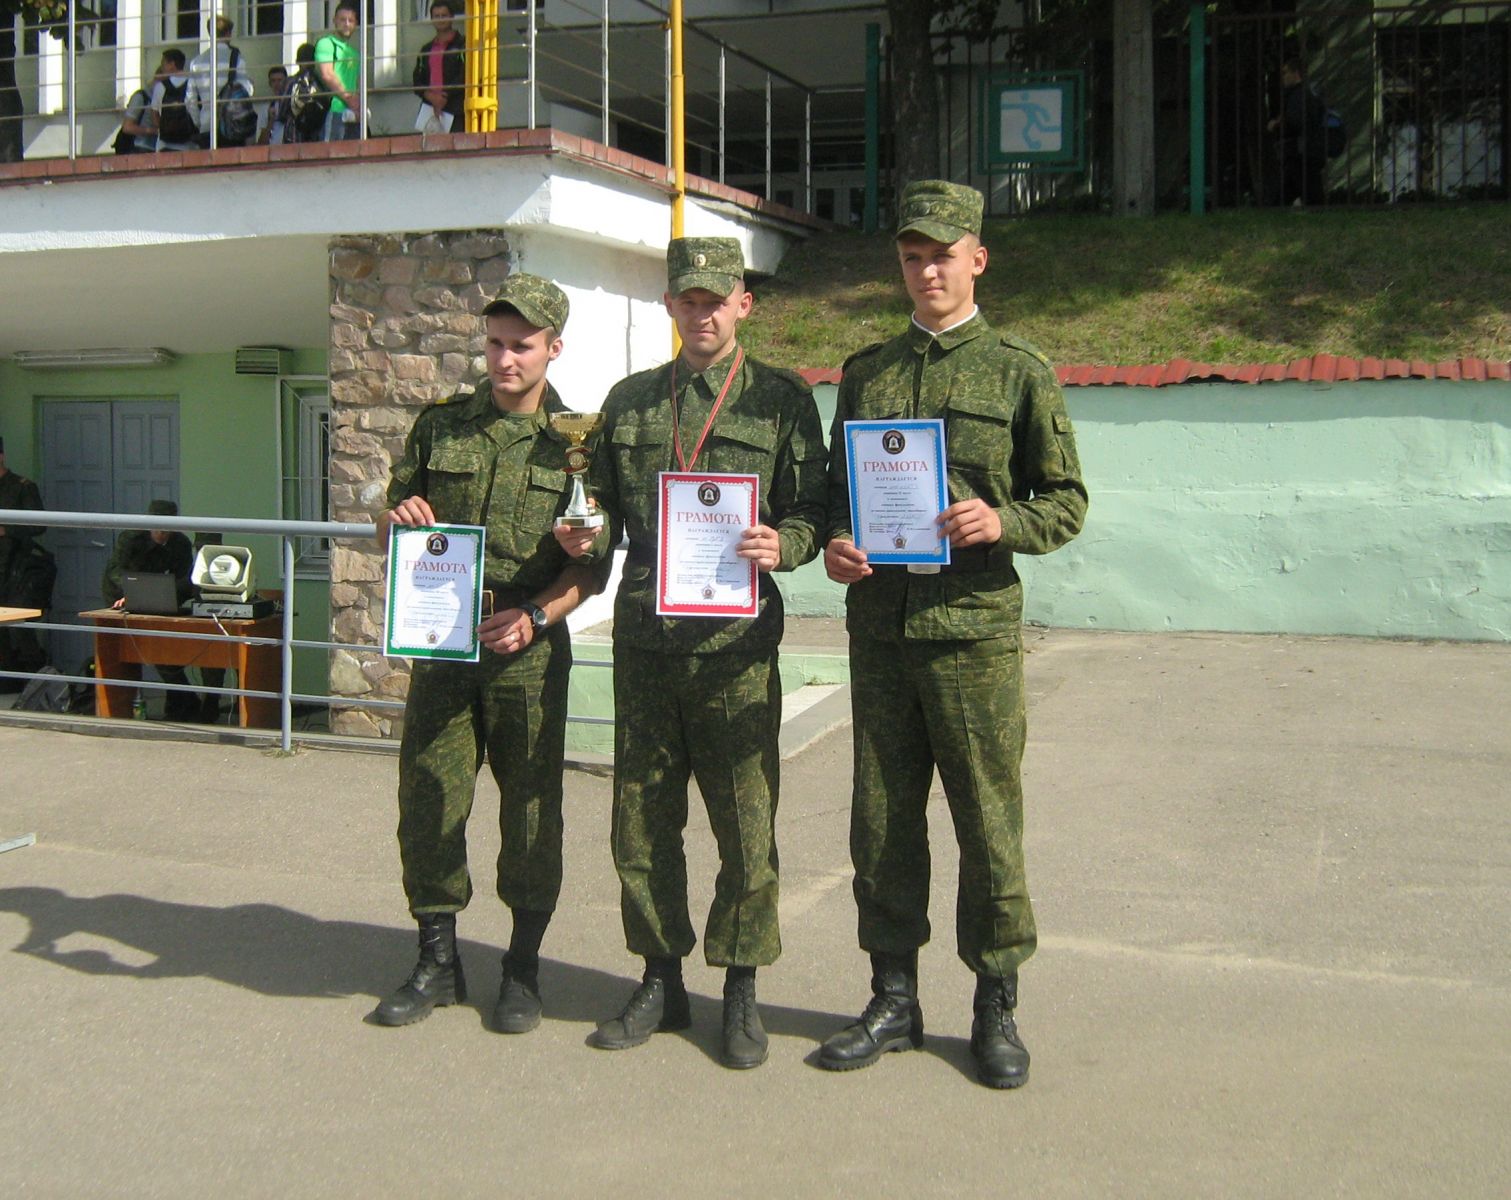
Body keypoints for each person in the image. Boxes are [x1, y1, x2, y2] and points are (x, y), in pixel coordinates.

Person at [818, 180, 1088, 1090]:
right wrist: (836, 544)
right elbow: (831, 496)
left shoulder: (1019, 369)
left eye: (943, 253)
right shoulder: (866, 373)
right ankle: (892, 996)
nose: (927, 269)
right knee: (883, 821)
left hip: (971, 632)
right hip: (882, 630)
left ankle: (995, 1002)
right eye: (911, 255)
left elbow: (1065, 502)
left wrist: (998, 523)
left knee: (986, 819)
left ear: (976, 258)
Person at [554, 238, 826, 1070]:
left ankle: (740, 985)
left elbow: (815, 506)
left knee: (744, 822)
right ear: (669, 306)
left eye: (718, 298)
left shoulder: (781, 400)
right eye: (688, 299)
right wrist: (581, 526)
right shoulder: (630, 402)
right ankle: (659, 976)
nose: (702, 312)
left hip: (736, 646)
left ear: (743, 303)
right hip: (646, 640)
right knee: (640, 819)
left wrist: (789, 542)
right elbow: (592, 499)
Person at [371, 275, 609, 1033]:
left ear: (553, 348)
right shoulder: (442, 425)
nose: (505, 359)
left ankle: (522, 969)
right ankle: (437, 962)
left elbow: (592, 568)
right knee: (430, 803)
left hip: (527, 652)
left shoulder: (578, 443)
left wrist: (535, 617)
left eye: (522, 345)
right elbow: (390, 528)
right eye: (496, 343)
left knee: (532, 812)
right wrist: (397, 519)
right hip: (442, 648)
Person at [100, 498, 205, 721]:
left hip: (157, 597)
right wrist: (130, 592)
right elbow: (116, 571)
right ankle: (178, 701)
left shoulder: (180, 544)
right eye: (157, 528)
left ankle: (182, 703)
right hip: (122, 594)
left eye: (166, 529)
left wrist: (167, 595)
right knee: (122, 648)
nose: (161, 534)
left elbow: (183, 580)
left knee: (161, 650)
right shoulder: (131, 538)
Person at [0, 436, 50, 691]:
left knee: (20, 627)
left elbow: (37, 524)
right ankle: (7, 683)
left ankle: (37, 684)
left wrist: (7, 530)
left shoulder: (22, 487)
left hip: (18, 569)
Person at [1268, 58, 1327, 206]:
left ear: (1296, 73)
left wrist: (1276, 125)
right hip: (1306, 152)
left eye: (1285, 72)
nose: (1283, 76)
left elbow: (1295, 122)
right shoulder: (1308, 94)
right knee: (1290, 194)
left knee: (1310, 198)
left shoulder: (1298, 95)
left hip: (1300, 153)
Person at [187, 15, 253, 149]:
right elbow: (246, 90)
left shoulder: (196, 62)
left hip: (207, 124)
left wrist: (199, 122)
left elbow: (190, 100)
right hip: (232, 125)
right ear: (228, 33)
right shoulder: (236, 58)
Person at [412, 1, 466, 132]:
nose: (441, 19)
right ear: (431, 19)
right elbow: (417, 80)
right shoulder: (426, 49)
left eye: (444, 15)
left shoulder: (462, 45)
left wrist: (445, 96)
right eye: (437, 16)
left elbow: (465, 74)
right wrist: (430, 96)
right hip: (429, 111)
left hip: (456, 111)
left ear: (452, 17)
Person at [316, 1, 362, 142]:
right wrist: (349, 99)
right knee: (331, 156)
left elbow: (358, 83)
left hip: (353, 113)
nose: (347, 24)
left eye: (351, 20)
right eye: (342, 20)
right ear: (334, 21)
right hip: (335, 110)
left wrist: (359, 106)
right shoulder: (326, 43)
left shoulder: (355, 53)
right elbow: (327, 74)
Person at [148, 49, 197, 152]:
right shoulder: (193, 83)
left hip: (165, 144)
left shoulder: (160, 86)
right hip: (190, 144)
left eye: (163, 63)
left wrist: (165, 131)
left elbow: (154, 116)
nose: (162, 68)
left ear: (172, 64)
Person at [258, 66, 289, 146]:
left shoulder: (293, 105)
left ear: (286, 82)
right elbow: (261, 143)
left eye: (280, 80)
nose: (277, 84)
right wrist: (270, 121)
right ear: (269, 83)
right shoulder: (265, 108)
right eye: (273, 81)